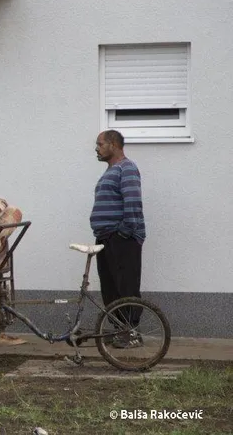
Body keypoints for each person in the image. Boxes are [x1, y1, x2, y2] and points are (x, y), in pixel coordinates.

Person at [91, 129, 146, 348]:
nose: (96, 148)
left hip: (121, 238)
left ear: (114, 144)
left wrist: (124, 232)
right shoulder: (110, 171)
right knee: (110, 287)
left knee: (126, 286)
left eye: (100, 144)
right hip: (106, 238)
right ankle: (118, 331)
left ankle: (131, 333)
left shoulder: (127, 168)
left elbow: (132, 202)